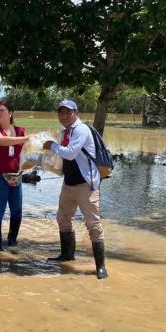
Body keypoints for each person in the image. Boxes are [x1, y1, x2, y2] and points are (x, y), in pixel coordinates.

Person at [43, 99, 108, 279]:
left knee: (93, 225)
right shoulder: (65, 131)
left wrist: (51, 145)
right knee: (63, 219)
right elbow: (62, 156)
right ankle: (67, 255)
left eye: (68, 112)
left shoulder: (81, 130)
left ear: (76, 113)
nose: (64, 116)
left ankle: (100, 267)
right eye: (61, 112)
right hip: (68, 184)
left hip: (86, 185)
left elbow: (70, 152)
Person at [0, 100, 29, 260]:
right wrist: (25, 138)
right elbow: (1, 141)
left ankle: (12, 241)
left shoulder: (19, 130)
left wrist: (22, 170)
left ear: (10, 113)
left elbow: (24, 155)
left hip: (15, 174)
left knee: (17, 211)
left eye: (2, 110)